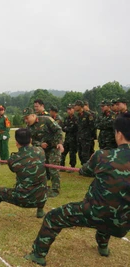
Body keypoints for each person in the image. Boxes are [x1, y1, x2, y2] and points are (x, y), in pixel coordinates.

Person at [25, 113, 130, 266]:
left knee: (53, 217)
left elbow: (85, 171)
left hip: (94, 212)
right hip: (123, 221)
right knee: (109, 216)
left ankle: (37, 255)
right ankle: (103, 247)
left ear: (118, 134)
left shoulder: (102, 155)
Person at [0, 128, 47, 224]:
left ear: (16, 142)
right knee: (40, 185)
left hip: (25, 199)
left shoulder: (13, 159)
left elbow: (13, 168)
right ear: (30, 140)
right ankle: (40, 211)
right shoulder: (41, 151)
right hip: (41, 198)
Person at [23, 108, 63, 197]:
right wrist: (40, 144)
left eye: (27, 118)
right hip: (41, 150)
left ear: (33, 115)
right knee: (40, 169)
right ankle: (42, 187)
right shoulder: (28, 127)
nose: (26, 120)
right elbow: (31, 141)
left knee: (53, 168)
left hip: (54, 147)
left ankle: (55, 189)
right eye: (24, 118)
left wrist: (60, 143)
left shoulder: (46, 120)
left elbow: (58, 130)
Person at [74, 100, 95, 165]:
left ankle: (87, 168)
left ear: (80, 106)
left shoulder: (88, 115)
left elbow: (92, 127)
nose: (74, 107)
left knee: (85, 155)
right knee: (80, 154)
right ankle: (83, 167)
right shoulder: (78, 115)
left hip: (86, 139)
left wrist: (89, 137)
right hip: (80, 138)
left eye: (76, 106)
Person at [60, 104, 78, 170]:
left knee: (72, 153)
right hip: (67, 138)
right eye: (68, 109)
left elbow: (73, 128)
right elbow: (63, 127)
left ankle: (72, 167)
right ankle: (62, 166)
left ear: (73, 109)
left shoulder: (76, 118)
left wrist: (67, 128)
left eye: (70, 109)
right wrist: (67, 128)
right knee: (63, 152)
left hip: (73, 139)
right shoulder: (66, 118)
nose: (68, 111)